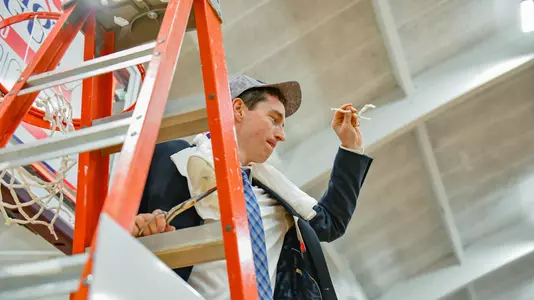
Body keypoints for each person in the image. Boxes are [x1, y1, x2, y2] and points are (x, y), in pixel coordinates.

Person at [131, 75, 373, 300]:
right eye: (274, 120)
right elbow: (122, 223)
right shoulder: (174, 159)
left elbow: (330, 222)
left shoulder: (275, 192)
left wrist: (350, 147)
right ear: (238, 109)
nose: (282, 136)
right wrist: (138, 225)